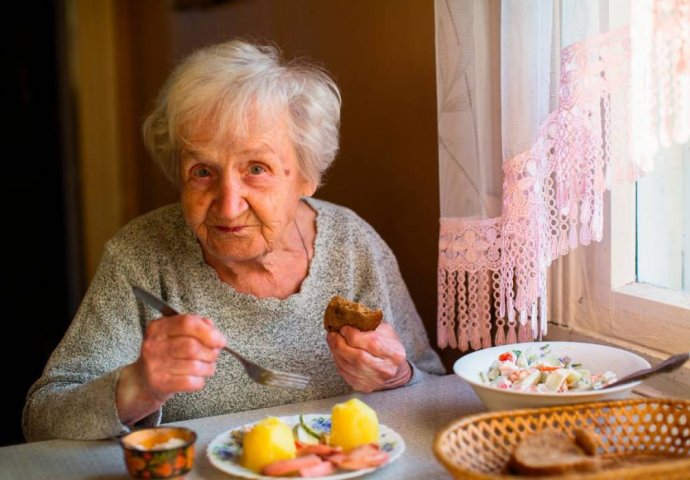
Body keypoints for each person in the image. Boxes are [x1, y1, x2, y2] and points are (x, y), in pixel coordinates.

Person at [23, 39, 445, 441]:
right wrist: (138, 387)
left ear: (306, 175)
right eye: (202, 171)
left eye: (256, 169)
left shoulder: (353, 244)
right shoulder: (141, 255)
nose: (227, 206)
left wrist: (399, 376)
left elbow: (432, 386)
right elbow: (43, 420)